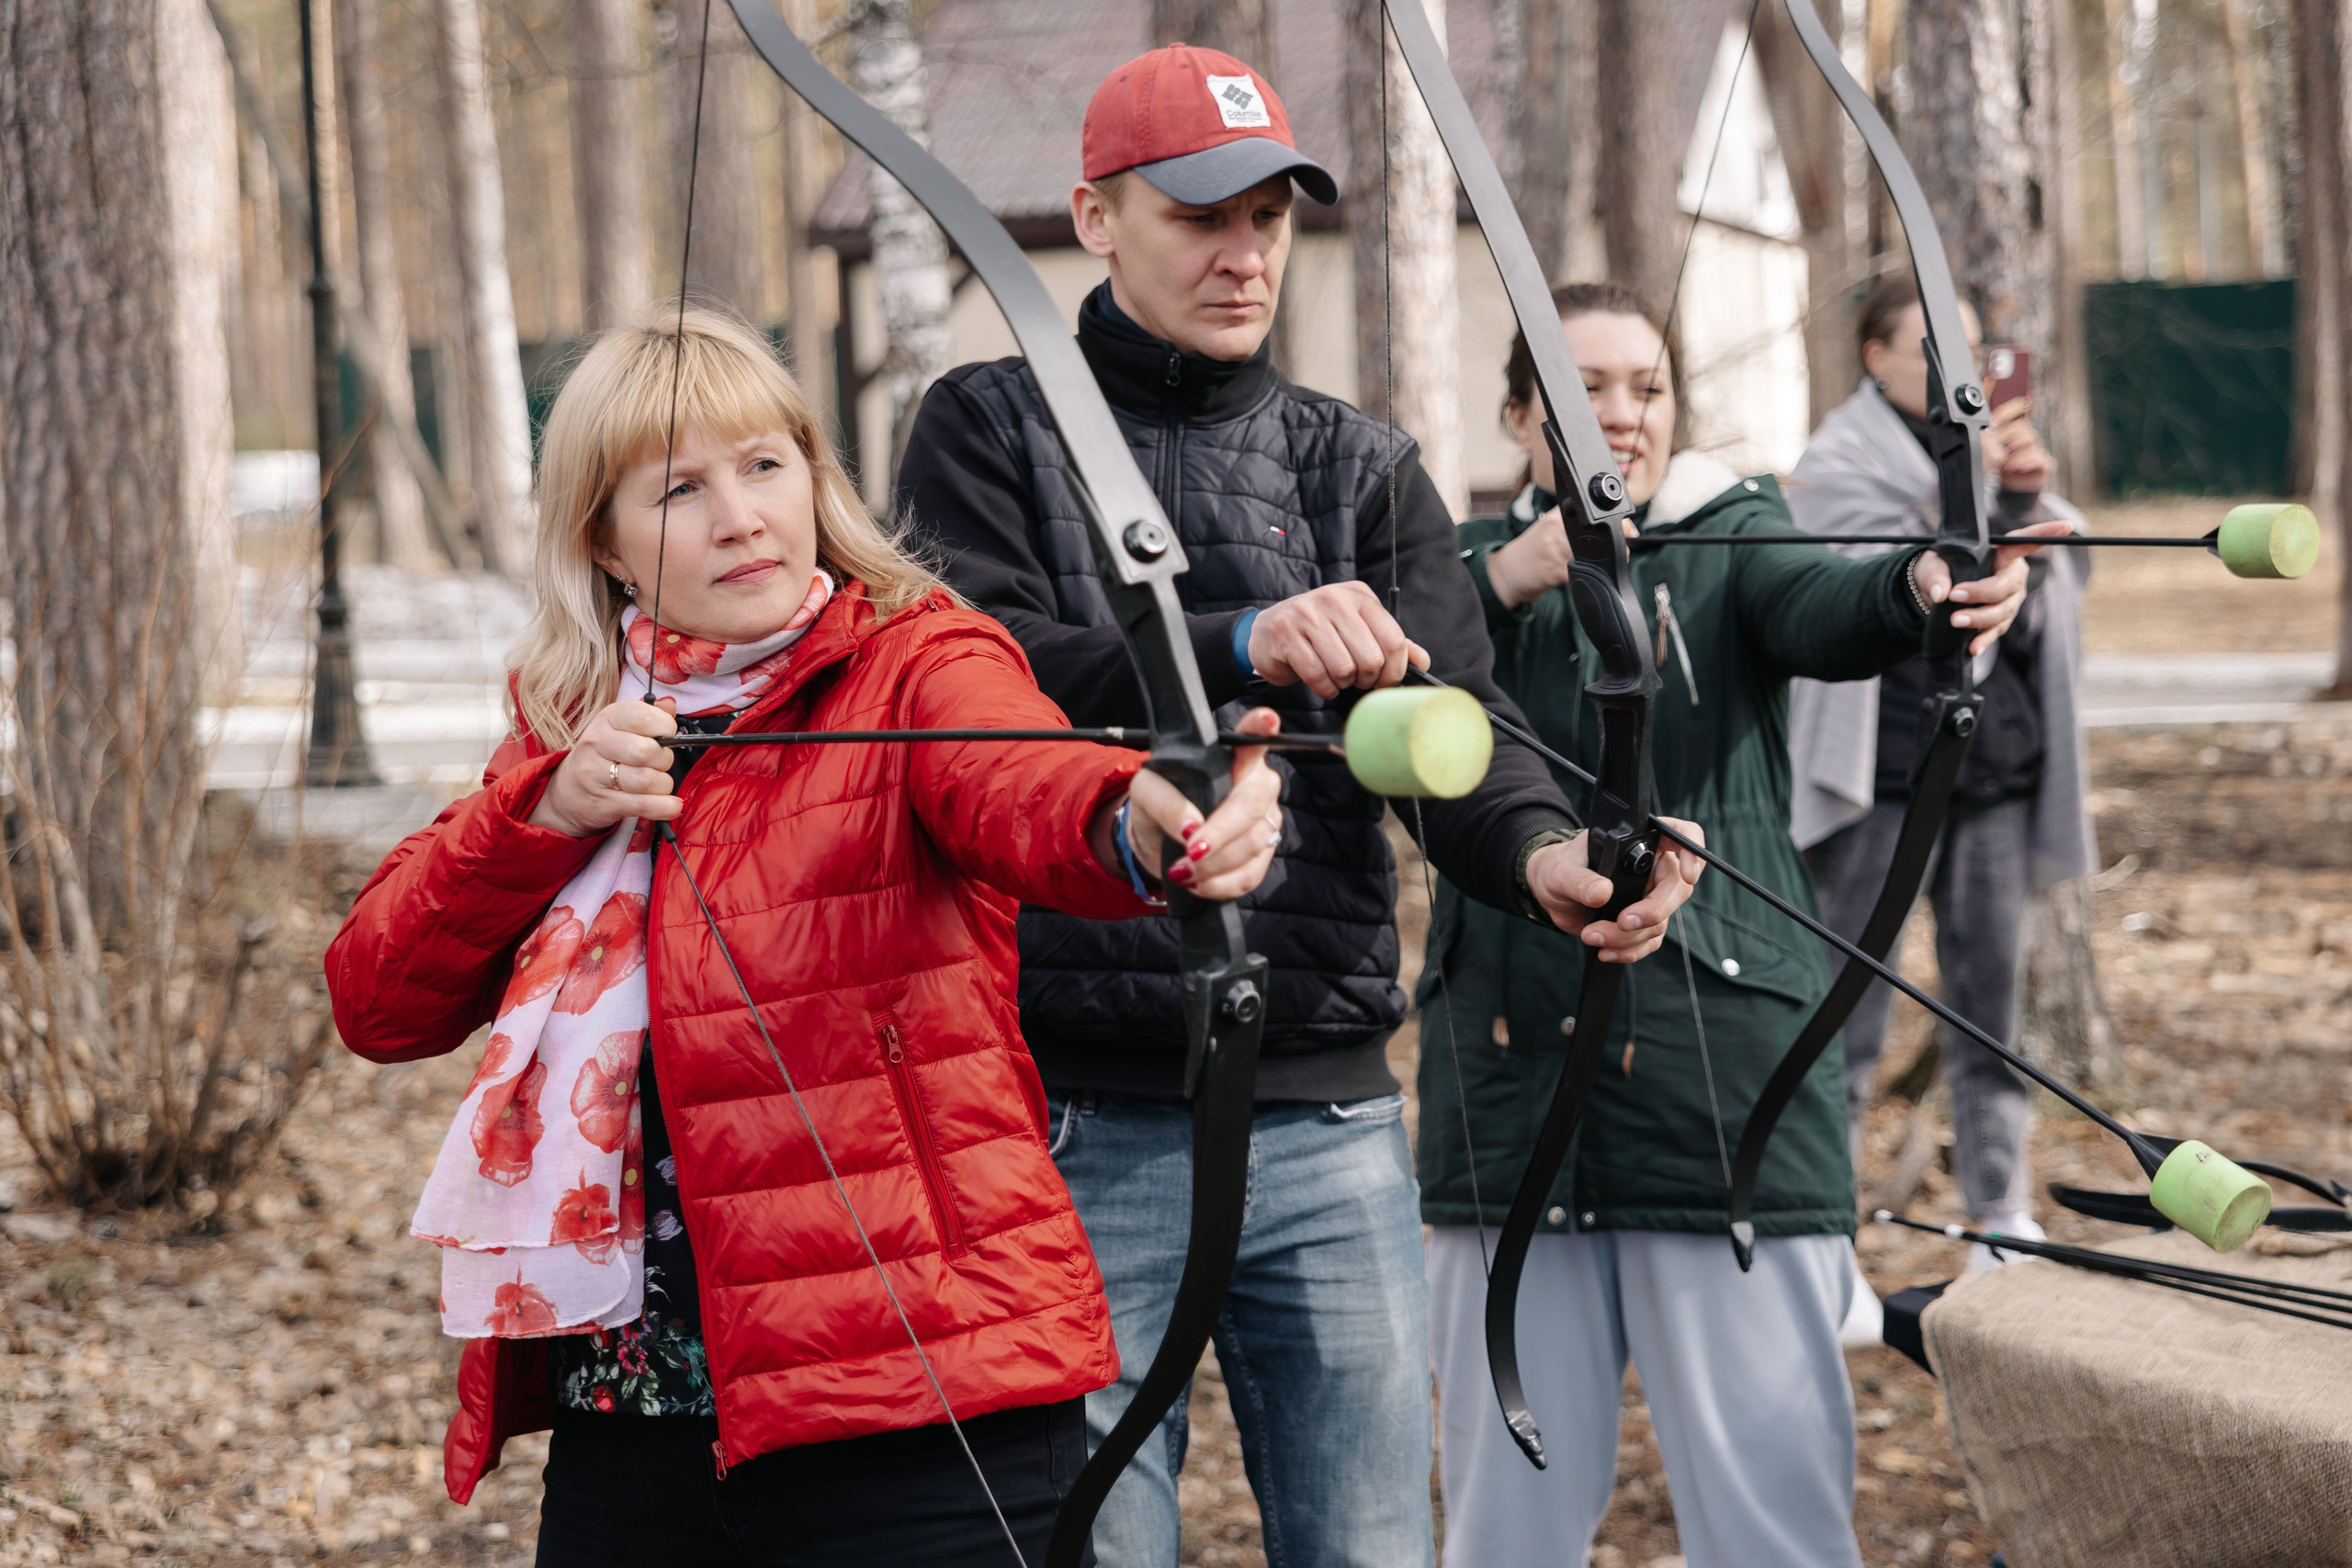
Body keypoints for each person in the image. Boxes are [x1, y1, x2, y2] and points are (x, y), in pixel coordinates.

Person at [896, 47, 1703, 1568]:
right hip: (1069, 1114)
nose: (1245, 251)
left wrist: (1548, 853)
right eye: (1200, 215)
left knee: (1370, 1546)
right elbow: (975, 681)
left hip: (1326, 1117)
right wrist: (1240, 639)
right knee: (1091, 1545)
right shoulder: (986, 425)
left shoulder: (1358, 462)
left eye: (1267, 215)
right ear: (1095, 216)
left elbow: (1461, 736)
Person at [324, 308, 1295, 1566]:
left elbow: (1026, 784)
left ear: (813, 478)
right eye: (680, 489)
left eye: (764, 464)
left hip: (919, 1403)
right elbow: (377, 999)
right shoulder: (573, 728)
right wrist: (547, 810)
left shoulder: (917, 662)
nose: (741, 517)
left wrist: (1145, 823)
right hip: (639, 1418)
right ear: (603, 544)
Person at [1416, 282, 2058, 1568]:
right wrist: (1508, 576)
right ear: (1520, 415)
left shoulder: (1733, 531)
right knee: (1502, 1528)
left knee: (1775, 1521)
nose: (1621, 415)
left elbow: (1825, 599)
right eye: (1583, 390)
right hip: (1508, 1092)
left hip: (1729, 1104)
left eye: (1646, 388)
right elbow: (1393, 679)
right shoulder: (1456, 571)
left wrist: (1920, 582)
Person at [1786, 273, 2096, 1303]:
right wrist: (1974, 502)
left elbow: (2035, 604)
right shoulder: (1840, 461)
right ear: (1874, 356)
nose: (1952, 367)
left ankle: (2000, 1212)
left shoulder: (1996, 458)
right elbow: (1868, 586)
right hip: (1881, 777)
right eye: (1927, 344)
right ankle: (1821, 1234)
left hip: (1989, 771)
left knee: (1987, 1009)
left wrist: (2020, 502)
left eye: (1965, 345)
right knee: (1850, 1010)